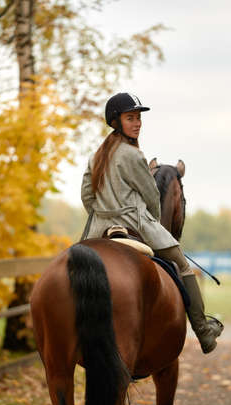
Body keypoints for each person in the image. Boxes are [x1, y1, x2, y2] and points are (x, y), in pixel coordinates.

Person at [81, 92, 223, 354]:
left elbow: (87, 197)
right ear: (116, 122)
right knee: (181, 263)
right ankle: (203, 330)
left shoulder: (95, 156)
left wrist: (103, 214)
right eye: (130, 118)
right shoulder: (134, 156)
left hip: (98, 229)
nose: (137, 123)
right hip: (136, 223)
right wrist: (151, 222)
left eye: (138, 118)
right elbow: (151, 197)